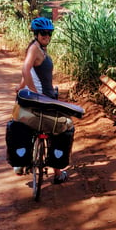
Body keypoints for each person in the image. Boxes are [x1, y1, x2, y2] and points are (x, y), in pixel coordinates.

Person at [14, 17, 68, 184]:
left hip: (43, 96)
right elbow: (25, 68)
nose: (47, 36)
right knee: (60, 129)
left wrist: (21, 86)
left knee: (25, 125)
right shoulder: (35, 49)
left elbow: (30, 72)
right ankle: (58, 174)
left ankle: (21, 162)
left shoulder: (39, 48)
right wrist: (34, 92)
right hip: (44, 98)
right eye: (43, 33)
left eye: (49, 33)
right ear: (36, 34)